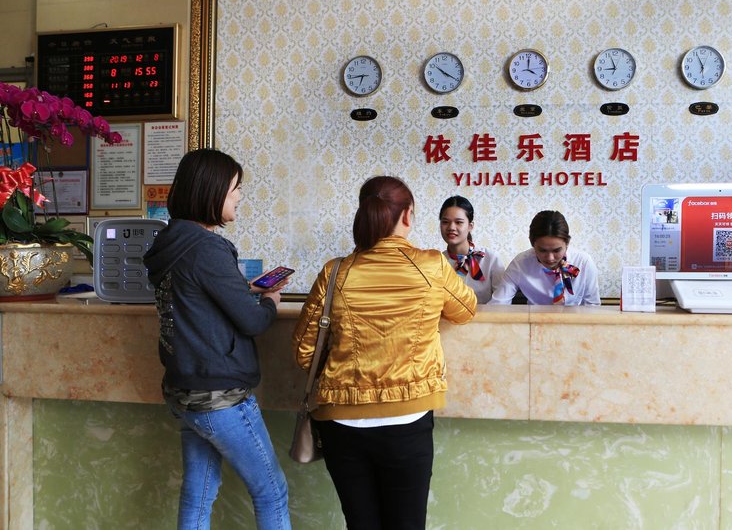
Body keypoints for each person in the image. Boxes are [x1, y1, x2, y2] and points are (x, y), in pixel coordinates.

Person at [292, 176, 477, 530]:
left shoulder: (335, 272)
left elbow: (304, 352)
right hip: (407, 419)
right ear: (407, 215)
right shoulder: (431, 265)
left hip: (341, 422)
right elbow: (466, 309)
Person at [143, 149, 291, 530]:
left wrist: (242, 288)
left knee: (199, 493)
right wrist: (270, 302)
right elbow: (252, 321)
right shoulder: (208, 248)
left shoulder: (172, 243)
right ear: (210, 191)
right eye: (235, 188)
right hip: (220, 397)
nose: (240, 196)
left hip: (185, 393)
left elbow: (195, 294)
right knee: (271, 491)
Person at [490, 210, 600, 306]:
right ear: (532, 243)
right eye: (542, 250)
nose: (550, 258)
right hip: (534, 321)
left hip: (576, 321)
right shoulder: (520, 264)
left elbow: (592, 305)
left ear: (567, 243)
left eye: (557, 250)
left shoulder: (584, 262)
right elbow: (499, 303)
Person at [439, 195, 505, 304]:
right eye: (445, 222)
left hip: (486, 315)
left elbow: (501, 302)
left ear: (470, 226)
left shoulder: (490, 259)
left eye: (459, 222)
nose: (451, 227)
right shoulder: (437, 262)